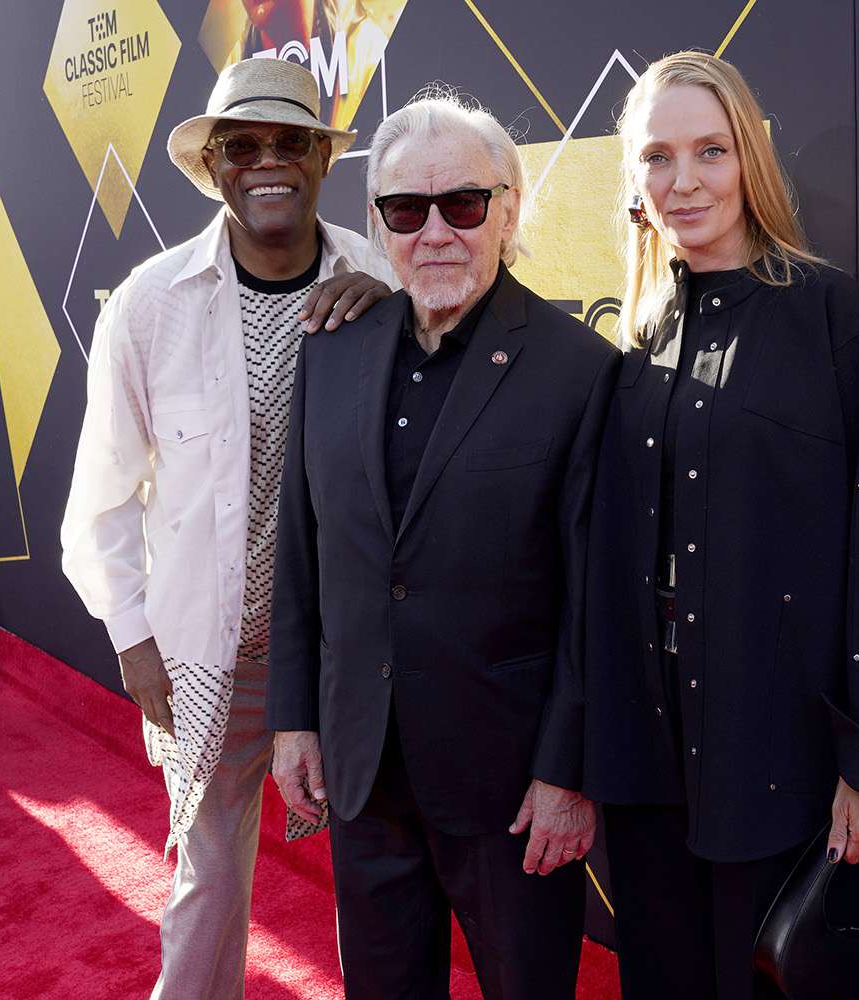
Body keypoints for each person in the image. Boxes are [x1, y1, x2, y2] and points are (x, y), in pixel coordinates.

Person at [581, 51, 859, 1000]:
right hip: (650, 765)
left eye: (710, 151)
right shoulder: (634, 341)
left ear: (752, 162)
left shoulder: (839, 323)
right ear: (634, 181)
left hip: (787, 768)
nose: (683, 181)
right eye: (657, 158)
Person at [264, 89, 619, 1000]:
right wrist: (295, 716)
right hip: (362, 766)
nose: (436, 233)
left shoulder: (580, 371)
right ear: (378, 224)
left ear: (508, 208)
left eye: (463, 204)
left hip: (507, 788)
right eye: (405, 210)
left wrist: (565, 774)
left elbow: (596, 602)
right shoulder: (332, 351)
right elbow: (306, 556)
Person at [60, 57, 393, 999]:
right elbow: (98, 502)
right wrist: (134, 636)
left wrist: (391, 308)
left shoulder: (384, 279)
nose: (267, 162)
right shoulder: (148, 305)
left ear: (325, 160)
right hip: (218, 653)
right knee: (209, 878)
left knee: (383, 871)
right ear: (213, 167)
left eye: (291, 141)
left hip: (359, 645)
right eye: (241, 146)